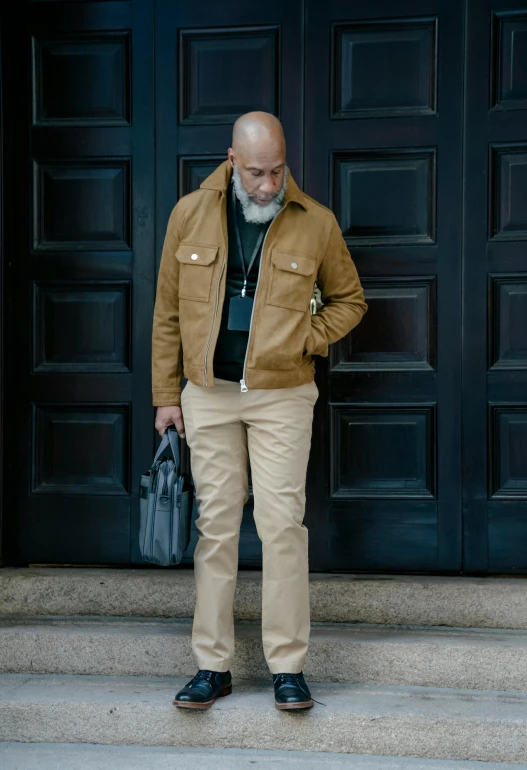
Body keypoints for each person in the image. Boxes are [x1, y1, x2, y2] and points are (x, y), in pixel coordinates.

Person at [152, 111, 367, 710]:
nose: (268, 185)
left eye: (276, 171)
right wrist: (166, 396)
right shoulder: (188, 215)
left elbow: (351, 302)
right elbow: (168, 311)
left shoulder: (315, 222)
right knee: (215, 529)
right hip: (209, 393)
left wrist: (305, 337)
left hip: (283, 395)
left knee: (281, 529)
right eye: (255, 173)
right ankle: (212, 666)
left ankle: (288, 667)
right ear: (231, 161)